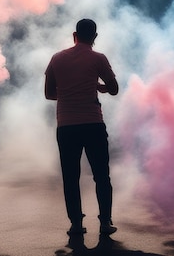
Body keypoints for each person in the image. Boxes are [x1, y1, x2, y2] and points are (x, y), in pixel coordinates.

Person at [44, 19, 119, 236]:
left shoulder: (57, 58)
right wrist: (98, 88)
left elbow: (49, 93)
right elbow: (114, 89)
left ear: (74, 34)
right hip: (93, 123)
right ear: (95, 37)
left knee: (70, 176)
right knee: (101, 175)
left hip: (66, 125)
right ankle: (105, 222)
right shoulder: (98, 58)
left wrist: (68, 94)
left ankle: (76, 224)